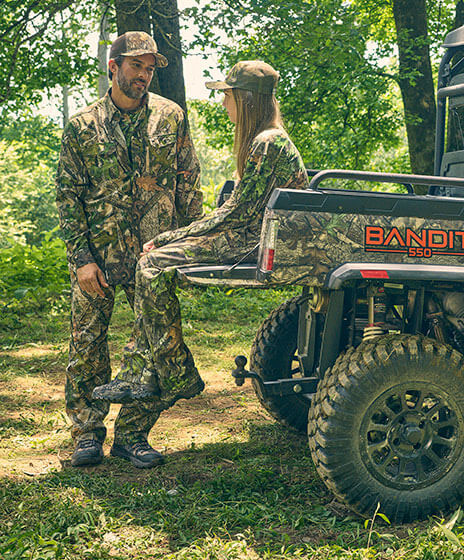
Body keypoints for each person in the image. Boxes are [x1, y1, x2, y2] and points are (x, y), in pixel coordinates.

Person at [93, 61, 308, 440]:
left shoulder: (266, 142)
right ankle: (139, 372)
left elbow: (235, 213)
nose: (223, 102)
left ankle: (176, 372)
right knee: (151, 266)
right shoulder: (267, 139)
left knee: (152, 264)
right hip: (250, 234)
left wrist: (169, 237)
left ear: (245, 100)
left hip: (252, 241)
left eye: (226, 95)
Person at [56, 31, 203, 469]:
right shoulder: (83, 125)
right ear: (113, 67)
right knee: (87, 345)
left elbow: (188, 180)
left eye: (151, 67)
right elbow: (68, 195)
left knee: (154, 344)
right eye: (136, 65)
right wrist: (82, 259)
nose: (144, 75)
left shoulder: (171, 117)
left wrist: (189, 243)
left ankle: (133, 434)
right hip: (98, 256)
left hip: (154, 258)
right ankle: (86, 432)